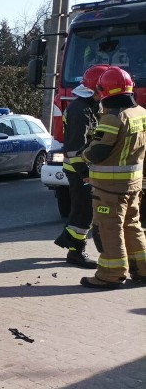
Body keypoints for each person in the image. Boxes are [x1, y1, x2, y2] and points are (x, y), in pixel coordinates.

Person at [79, 66, 146, 289]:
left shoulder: (113, 118)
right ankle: (142, 269)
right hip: (134, 183)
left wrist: (84, 155)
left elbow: (97, 152)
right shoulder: (142, 113)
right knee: (132, 225)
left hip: (109, 187)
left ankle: (111, 274)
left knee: (109, 228)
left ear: (104, 90)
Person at [52, 64, 109, 268]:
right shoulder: (80, 110)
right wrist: (84, 173)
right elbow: (74, 148)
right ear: (97, 88)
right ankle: (76, 252)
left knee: (83, 210)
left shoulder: (92, 106)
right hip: (79, 169)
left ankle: (67, 240)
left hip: (85, 168)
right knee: (84, 211)